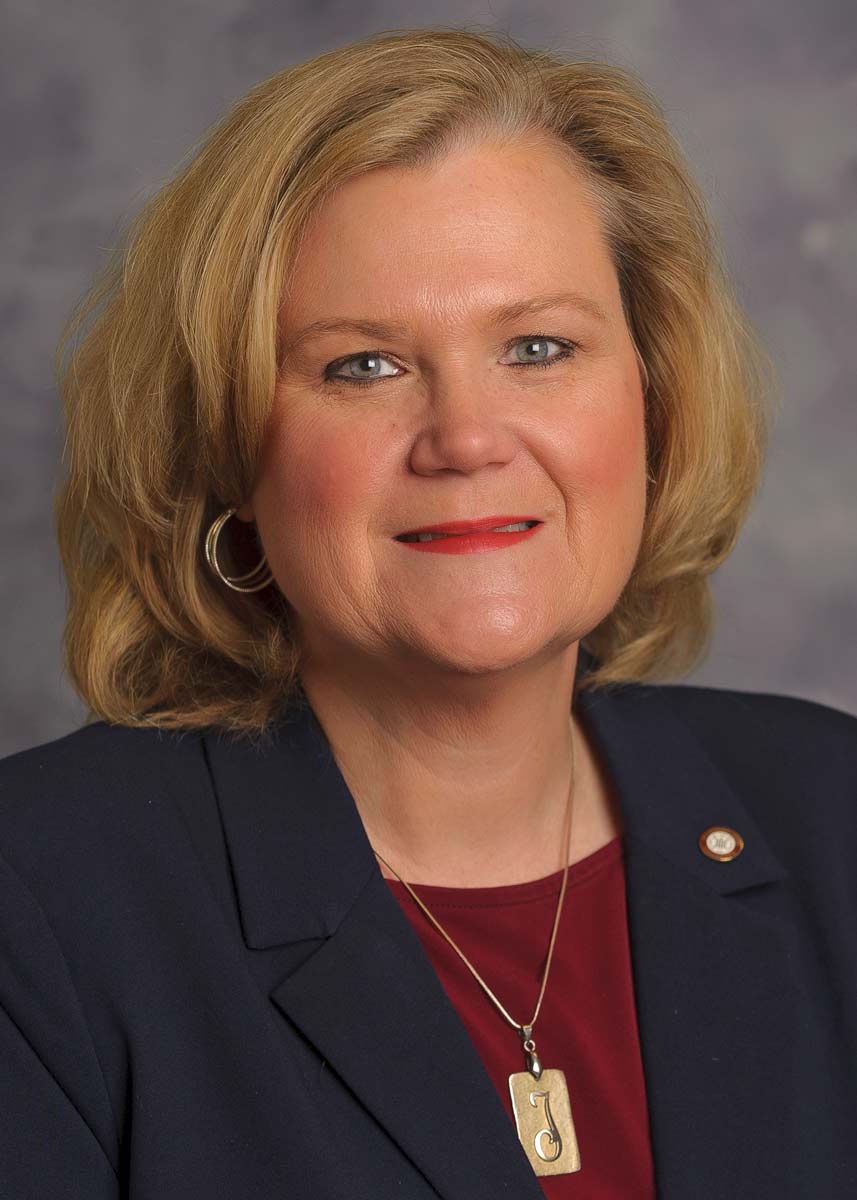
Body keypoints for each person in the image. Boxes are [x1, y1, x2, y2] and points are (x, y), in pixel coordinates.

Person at [1, 25, 854, 1200]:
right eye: (362, 366)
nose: (464, 438)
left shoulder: (829, 814)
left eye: (537, 347)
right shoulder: (38, 902)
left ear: (652, 408)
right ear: (230, 453)